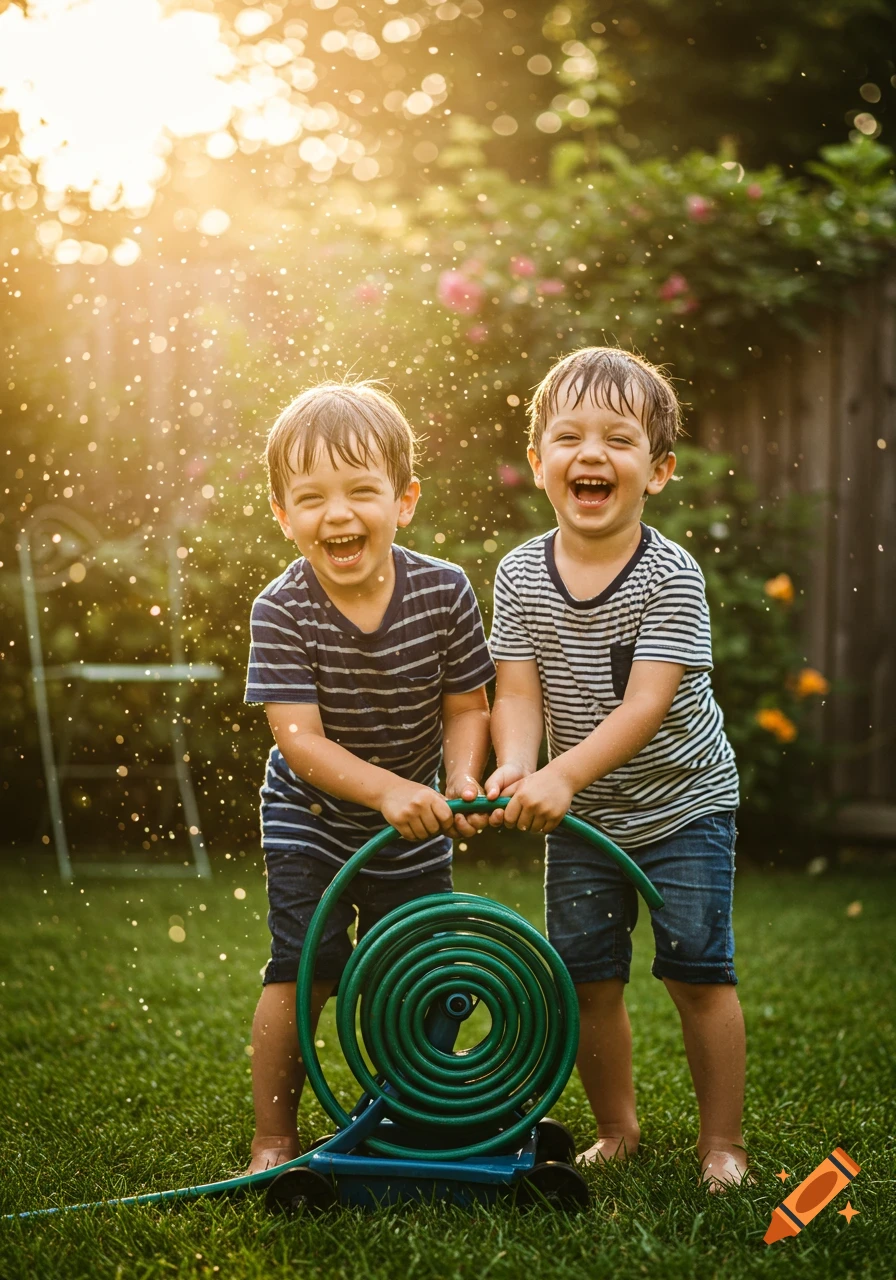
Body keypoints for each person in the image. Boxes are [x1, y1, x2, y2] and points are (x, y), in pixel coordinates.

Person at [484, 347, 747, 1189]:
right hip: (587, 814)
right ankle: (618, 1130)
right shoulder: (521, 573)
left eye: (618, 439)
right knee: (587, 977)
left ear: (658, 470)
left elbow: (647, 706)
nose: (590, 453)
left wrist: (560, 778)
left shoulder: (670, 576)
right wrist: (522, 766)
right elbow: (517, 692)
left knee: (698, 973)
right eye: (568, 436)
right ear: (538, 464)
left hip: (684, 805)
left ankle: (723, 1146)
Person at [244, 380, 494, 1174]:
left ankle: (408, 1116)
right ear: (284, 516)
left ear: (404, 500)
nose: (338, 514)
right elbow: (297, 739)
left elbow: (466, 706)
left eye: (360, 491)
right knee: (303, 966)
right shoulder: (280, 608)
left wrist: (456, 784)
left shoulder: (444, 590)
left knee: (426, 967)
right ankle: (274, 1140)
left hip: (415, 819)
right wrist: (385, 790)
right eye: (311, 498)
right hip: (308, 816)